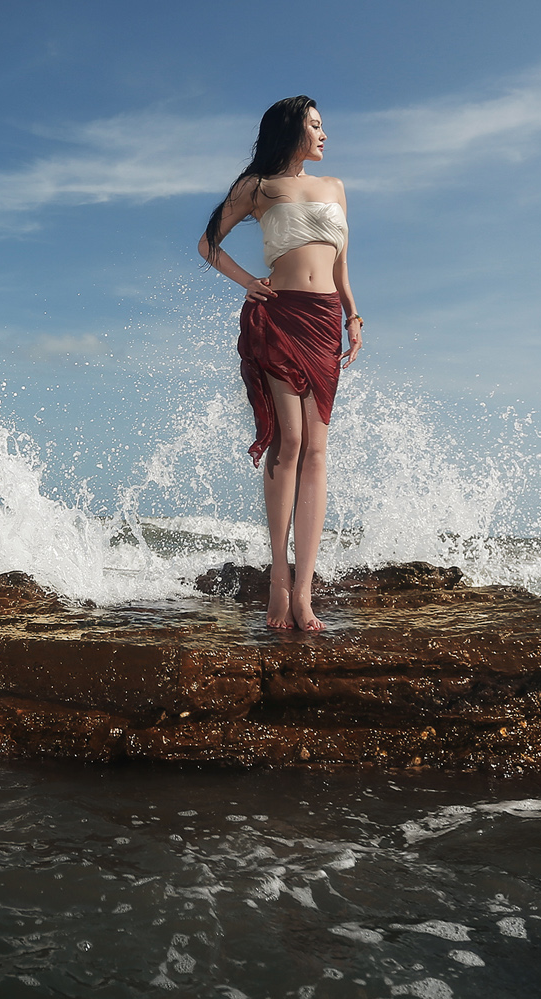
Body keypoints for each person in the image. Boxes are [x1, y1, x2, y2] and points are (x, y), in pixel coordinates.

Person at [197, 95, 362, 632]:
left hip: (324, 321)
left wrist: (354, 317)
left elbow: (340, 267)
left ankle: (305, 591)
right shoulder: (258, 187)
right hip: (279, 316)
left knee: (317, 449)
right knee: (289, 442)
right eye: (316, 126)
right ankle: (278, 583)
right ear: (292, 130)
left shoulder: (335, 189)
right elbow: (208, 244)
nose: (324, 135)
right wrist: (249, 284)